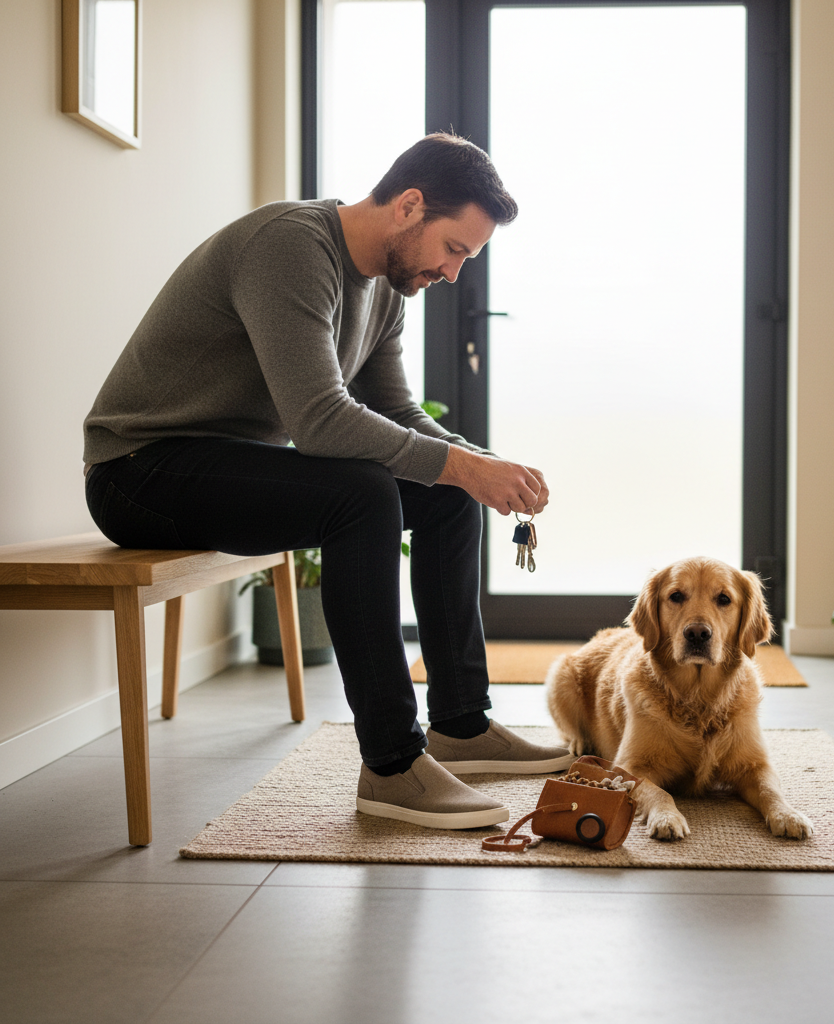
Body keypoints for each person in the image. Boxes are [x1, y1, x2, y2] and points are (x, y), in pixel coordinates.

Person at [82, 133, 571, 831]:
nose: (455, 273)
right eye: (455, 249)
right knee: (362, 495)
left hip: (228, 466)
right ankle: (392, 765)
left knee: (448, 494)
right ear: (409, 206)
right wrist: (466, 464)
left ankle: (461, 726)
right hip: (139, 471)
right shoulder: (291, 246)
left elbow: (396, 412)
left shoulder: (388, 290)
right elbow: (319, 422)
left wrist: (482, 467)